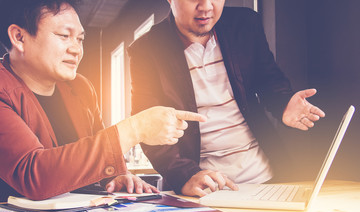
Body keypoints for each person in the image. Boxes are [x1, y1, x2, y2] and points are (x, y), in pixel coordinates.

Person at [0, 0, 206, 202]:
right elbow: (33, 175)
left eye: (80, 39)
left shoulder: (80, 88)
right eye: (64, 36)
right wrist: (135, 128)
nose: (76, 50)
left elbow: (97, 156)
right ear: (19, 37)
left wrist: (118, 176)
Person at [128, 0, 325, 197]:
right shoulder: (146, 50)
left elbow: (270, 82)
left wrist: (284, 103)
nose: (206, 6)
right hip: (204, 189)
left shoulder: (245, 24)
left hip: (266, 178)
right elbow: (148, 130)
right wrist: (185, 176)